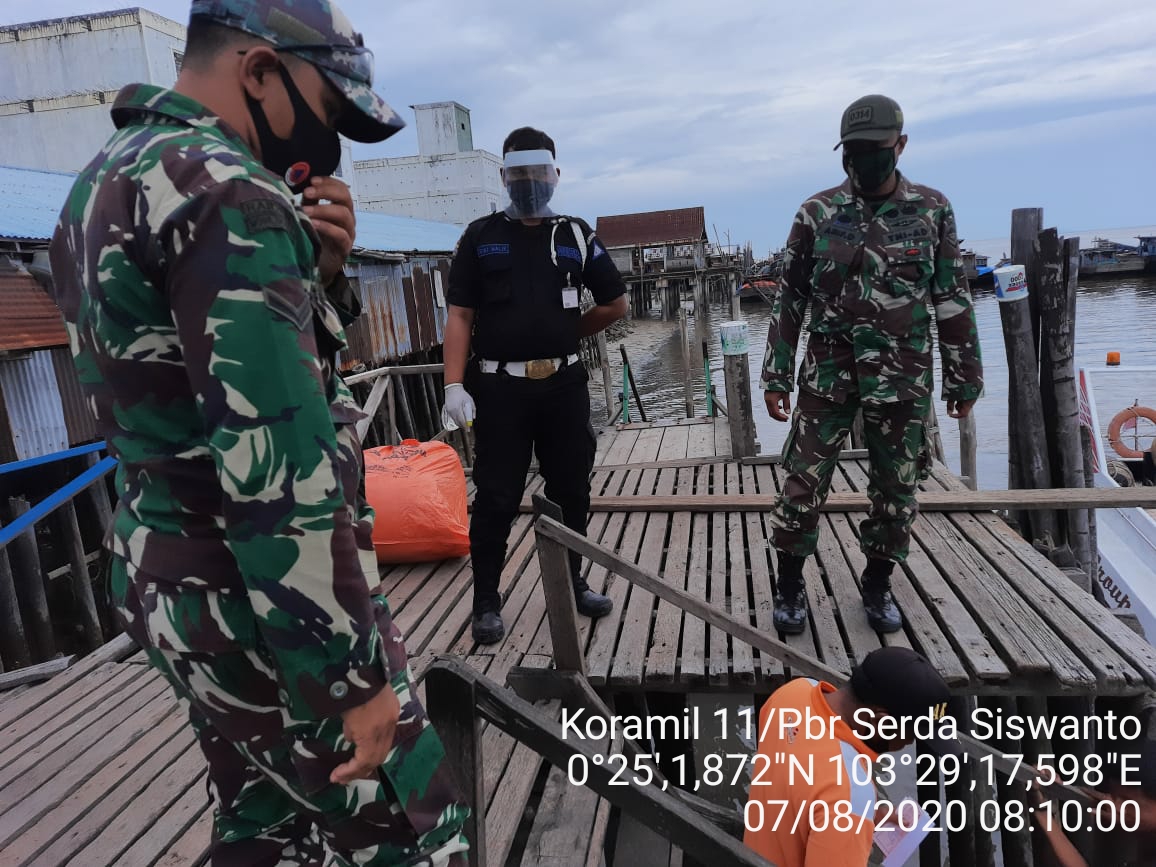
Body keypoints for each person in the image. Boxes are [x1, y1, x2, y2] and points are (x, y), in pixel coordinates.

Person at [48, 2, 469, 864]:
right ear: (260, 73)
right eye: (328, 106)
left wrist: (320, 281)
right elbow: (279, 466)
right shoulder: (230, 190)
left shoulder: (103, 182)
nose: (332, 138)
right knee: (424, 832)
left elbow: (176, 382)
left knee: (264, 828)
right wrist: (351, 677)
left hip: (170, 586)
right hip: (267, 606)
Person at [760, 94, 984, 636]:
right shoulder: (816, 214)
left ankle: (878, 584)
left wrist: (964, 376)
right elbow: (789, 300)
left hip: (902, 380)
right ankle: (789, 587)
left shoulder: (932, 211)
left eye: (873, 150)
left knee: (898, 490)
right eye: (853, 152)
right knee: (799, 487)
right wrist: (775, 373)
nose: (861, 161)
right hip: (827, 377)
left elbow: (951, 298)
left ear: (900, 146)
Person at [443, 127, 629, 644]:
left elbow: (615, 303)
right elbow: (460, 314)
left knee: (571, 488)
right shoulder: (479, 237)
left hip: (563, 386)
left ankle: (573, 580)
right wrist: (452, 385)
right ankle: (486, 600)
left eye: (537, 173)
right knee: (496, 495)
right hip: (499, 390)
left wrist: (568, 333)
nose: (528, 182)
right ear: (503, 176)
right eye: (518, 173)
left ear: (554, 175)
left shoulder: (575, 234)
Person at [743, 646, 958, 867]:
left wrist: (869, 815)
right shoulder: (851, 793)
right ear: (880, 721)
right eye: (911, 733)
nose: (909, 743)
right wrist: (856, 811)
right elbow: (835, 794)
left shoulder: (792, 694)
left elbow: (798, 787)